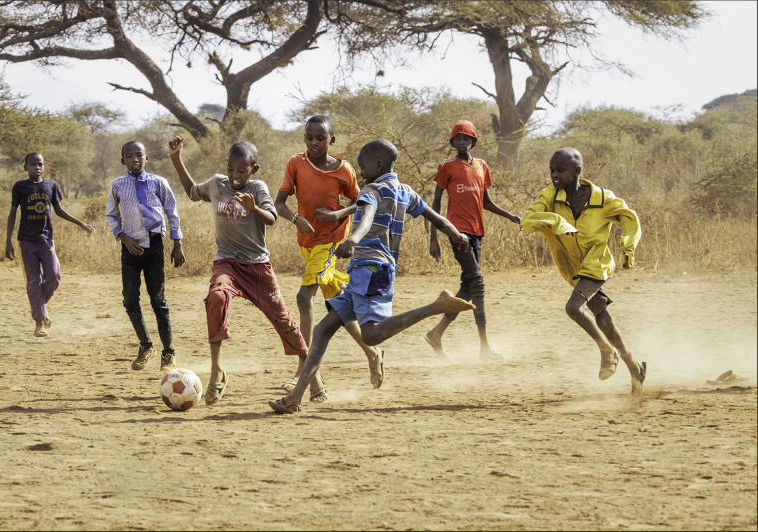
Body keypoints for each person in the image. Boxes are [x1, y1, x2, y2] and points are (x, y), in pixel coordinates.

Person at [269, 139, 476, 414]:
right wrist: (458, 235)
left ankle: (436, 307)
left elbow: (366, 216)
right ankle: (294, 398)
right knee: (322, 330)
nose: (361, 172)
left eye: (363, 167)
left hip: (371, 270)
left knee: (371, 335)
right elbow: (437, 218)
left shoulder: (373, 189)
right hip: (365, 272)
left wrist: (352, 240)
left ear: (378, 165)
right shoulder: (406, 191)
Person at [168, 136, 311, 406]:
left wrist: (253, 207)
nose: (235, 175)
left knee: (282, 319)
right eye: (231, 169)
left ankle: (307, 370)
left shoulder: (257, 188)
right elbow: (192, 192)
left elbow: (272, 218)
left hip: (257, 267)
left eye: (242, 170)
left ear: (253, 169)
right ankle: (217, 371)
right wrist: (176, 158)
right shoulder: (216, 183)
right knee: (216, 297)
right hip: (227, 262)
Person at [519, 147, 647, 394]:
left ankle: (606, 350)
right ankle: (635, 368)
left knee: (573, 308)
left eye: (560, 170)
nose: (554, 175)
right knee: (604, 320)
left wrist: (628, 247)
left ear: (576, 171)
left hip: (596, 264)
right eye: (552, 170)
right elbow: (529, 218)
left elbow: (630, 218)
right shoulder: (551, 196)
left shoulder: (603, 199)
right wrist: (557, 221)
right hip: (573, 268)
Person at [275, 115, 384, 400]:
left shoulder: (343, 169)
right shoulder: (295, 164)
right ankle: (372, 352)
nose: (314, 143)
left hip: (331, 241)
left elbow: (361, 202)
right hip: (306, 242)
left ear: (331, 140)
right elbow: (279, 203)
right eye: (309, 138)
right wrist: (296, 219)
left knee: (304, 298)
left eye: (320, 138)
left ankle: (307, 374)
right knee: (340, 307)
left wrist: (337, 214)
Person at [425, 120, 521, 359]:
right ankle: (485, 348)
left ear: (473, 141)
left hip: (478, 233)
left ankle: (436, 334)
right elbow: (435, 204)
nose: (461, 142)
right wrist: (433, 239)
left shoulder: (482, 166)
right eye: (457, 139)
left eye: (466, 139)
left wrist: (509, 215)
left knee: (467, 288)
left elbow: (486, 202)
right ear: (452, 142)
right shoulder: (447, 166)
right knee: (478, 284)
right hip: (458, 233)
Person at [105, 141, 185, 372]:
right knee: (130, 299)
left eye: (139, 155)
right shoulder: (118, 185)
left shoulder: (158, 182)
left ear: (146, 158)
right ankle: (146, 346)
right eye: (129, 156)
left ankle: (168, 353)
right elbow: (111, 215)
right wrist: (123, 238)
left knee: (158, 300)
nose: (135, 159)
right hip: (130, 249)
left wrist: (177, 243)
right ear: (123, 161)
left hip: (154, 247)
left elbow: (172, 211)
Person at [5, 152, 95, 337]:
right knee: (34, 281)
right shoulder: (20, 187)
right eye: (32, 164)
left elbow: (59, 210)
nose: (37, 167)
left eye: (40, 164)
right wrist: (8, 241)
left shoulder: (50, 185)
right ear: (25, 167)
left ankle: (40, 306)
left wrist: (81, 224)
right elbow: (12, 214)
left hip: (46, 239)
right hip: (27, 241)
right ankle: (39, 324)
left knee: (54, 276)